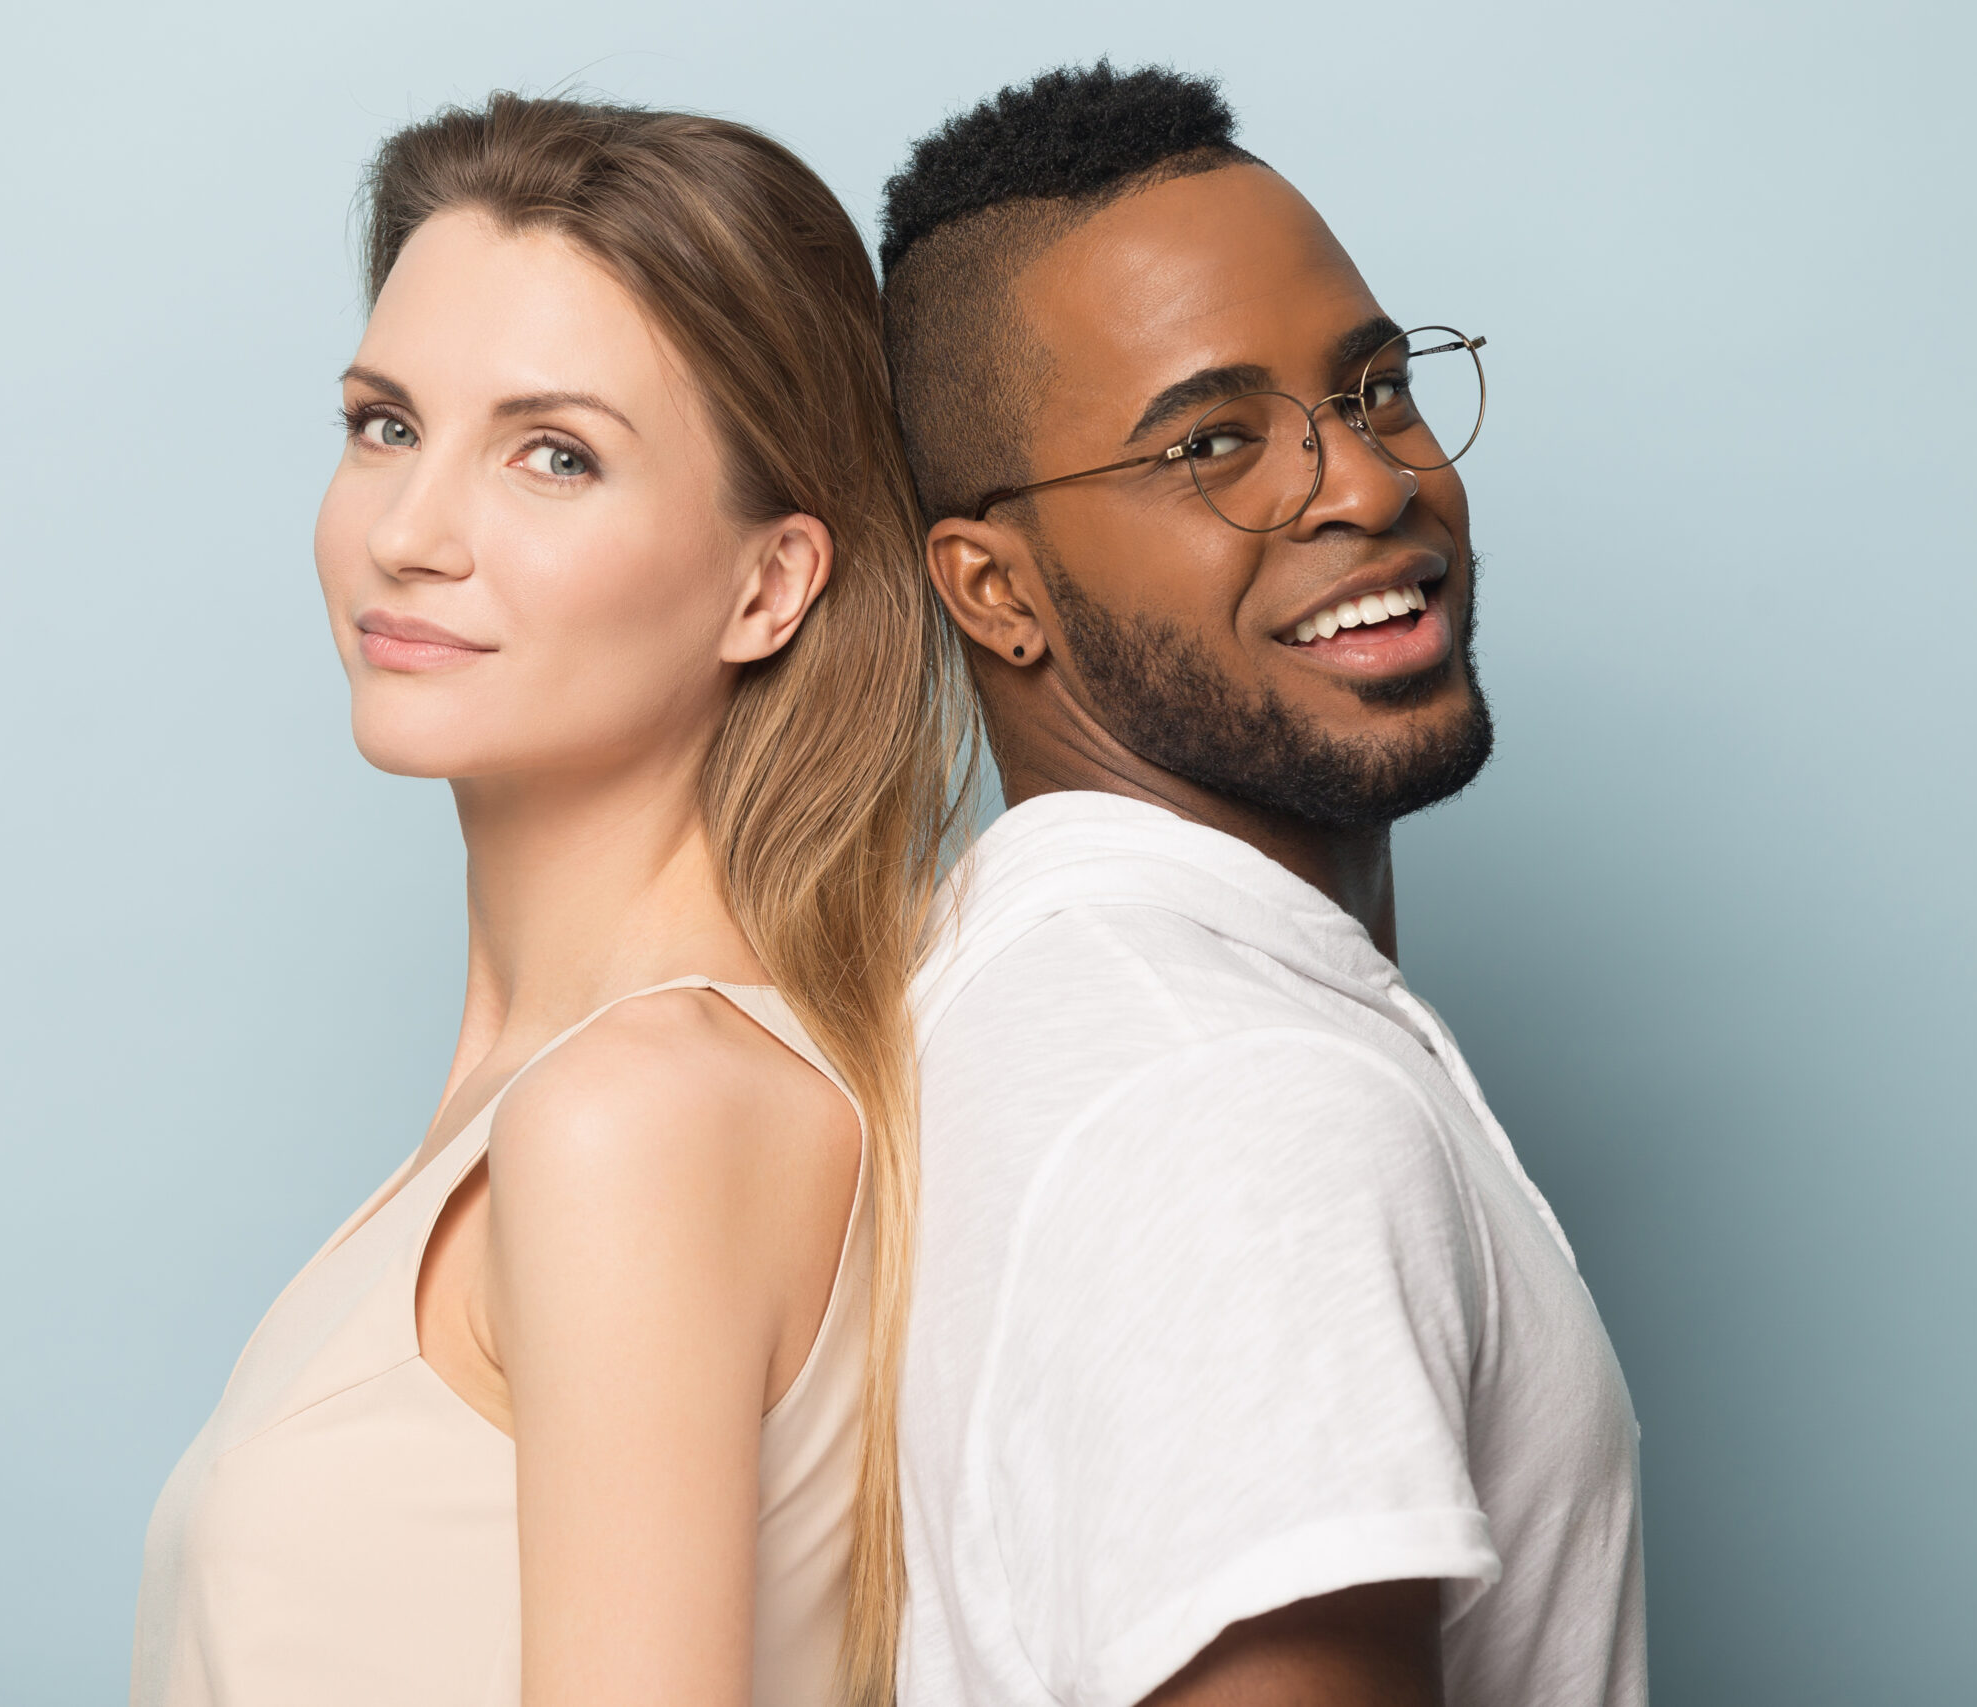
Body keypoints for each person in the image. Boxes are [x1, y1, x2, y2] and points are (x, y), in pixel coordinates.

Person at [131, 95, 966, 1707]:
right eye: (386, 425)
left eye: (555, 455)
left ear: (769, 585)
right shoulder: (588, 1092)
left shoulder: (632, 1119)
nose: (408, 533)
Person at [881, 64, 1646, 1707]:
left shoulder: (1030, 1003)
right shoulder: (1237, 1101)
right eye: (1212, 443)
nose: (1368, 484)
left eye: (1376, 389)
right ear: (995, 590)